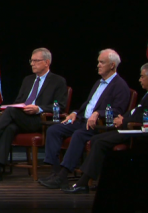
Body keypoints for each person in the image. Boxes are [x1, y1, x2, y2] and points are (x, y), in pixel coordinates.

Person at [62, 62, 148, 194]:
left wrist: (124, 121)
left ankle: (82, 183)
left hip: (140, 133)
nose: (140, 79)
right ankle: (101, 180)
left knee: (100, 142)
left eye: (142, 77)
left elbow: (147, 117)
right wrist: (123, 119)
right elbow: (138, 113)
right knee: (96, 139)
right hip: (131, 128)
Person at [0, 48, 68, 183]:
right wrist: (17, 107)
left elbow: (61, 106)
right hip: (22, 118)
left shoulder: (58, 81)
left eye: (36, 61)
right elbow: (19, 102)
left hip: (40, 120)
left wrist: (39, 109)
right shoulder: (28, 80)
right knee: (8, 128)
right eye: (31, 61)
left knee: (10, 112)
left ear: (47, 62)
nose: (32, 64)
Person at [40, 49, 131, 190]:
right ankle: (55, 172)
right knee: (54, 130)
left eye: (102, 62)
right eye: (98, 62)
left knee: (79, 135)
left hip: (97, 126)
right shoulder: (98, 83)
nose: (98, 65)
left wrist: (98, 114)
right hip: (82, 120)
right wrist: (75, 113)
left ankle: (63, 175)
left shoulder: (120, 86)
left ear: (112, 65)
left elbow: (118, 111)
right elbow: (88, 105)